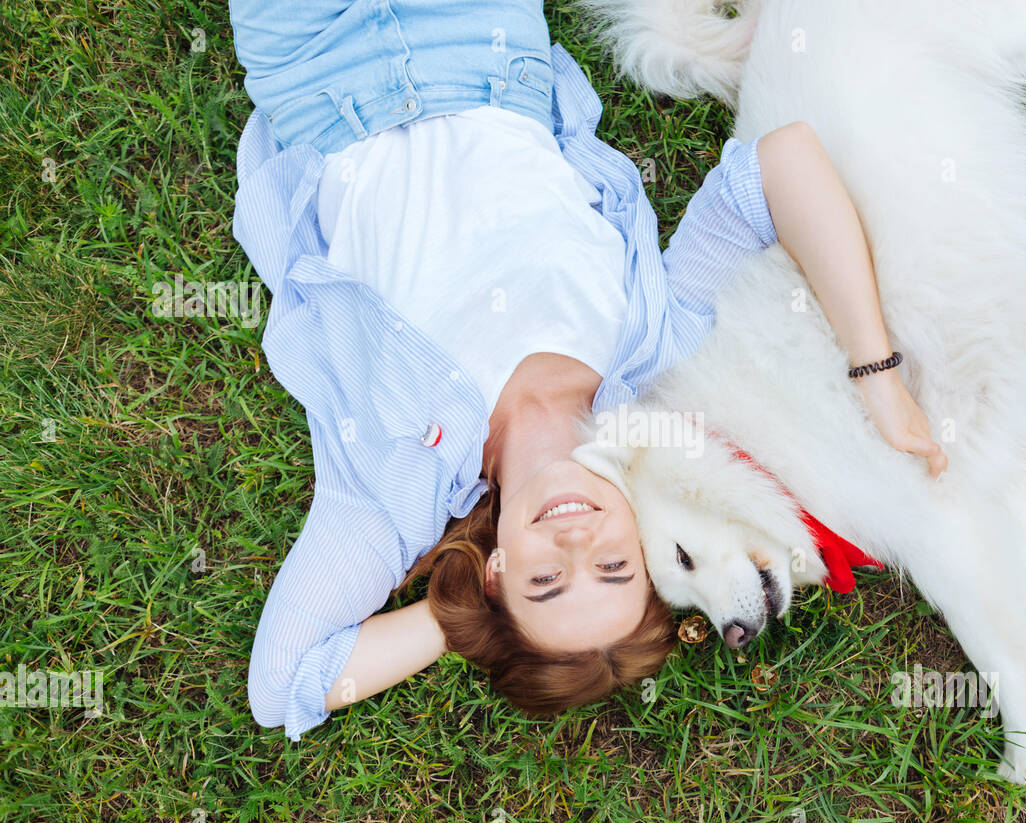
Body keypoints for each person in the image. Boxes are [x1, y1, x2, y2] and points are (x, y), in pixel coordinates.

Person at [229, 0, 946, 741]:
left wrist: (465, 621)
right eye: (613, 568)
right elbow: (781, 164)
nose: (577, 545)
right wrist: (877, 372)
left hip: (313, 57)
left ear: (498, 573)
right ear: (644, 545)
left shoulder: (395, 488)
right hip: (480, 35)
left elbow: (282, 690)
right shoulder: (653, 350)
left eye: (545, 582)